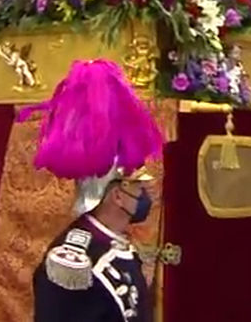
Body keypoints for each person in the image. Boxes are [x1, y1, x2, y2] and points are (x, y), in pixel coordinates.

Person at [22, 59, 164, 321]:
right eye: (137, 186)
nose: (146, 193)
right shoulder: (74, 260)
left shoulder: (111, 241)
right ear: (117, 195)